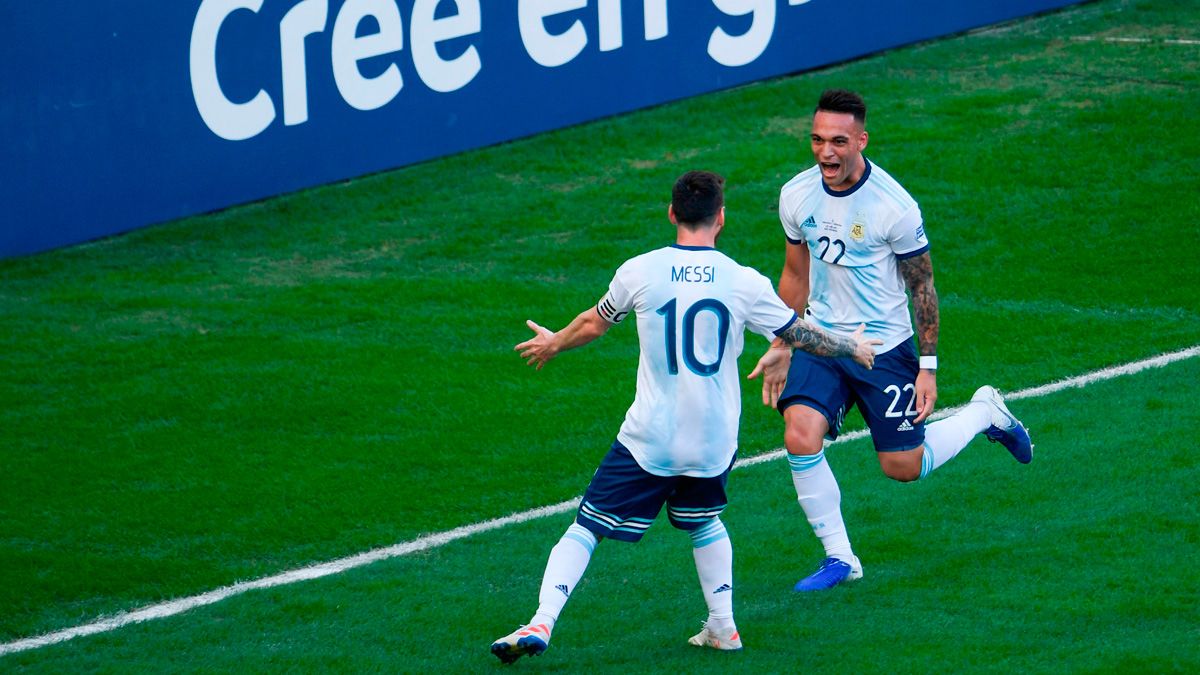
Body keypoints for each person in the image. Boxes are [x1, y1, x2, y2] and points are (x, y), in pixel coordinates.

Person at [491, 170, 880, 664]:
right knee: (703, 521)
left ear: (672, 213)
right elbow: (801, 335)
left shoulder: (641, 271)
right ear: (721, 218)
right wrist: (854, 347)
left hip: (650, 438)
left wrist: (553, 342)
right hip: (714, 441)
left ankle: (542, 619)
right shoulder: (744, 281)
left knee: (586, 527)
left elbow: (594, 322)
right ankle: (723, 627)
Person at [758, 89, 1034, 592]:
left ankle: (987, 412)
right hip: (823, 339)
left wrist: (927, 366)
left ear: (862, 139)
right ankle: (840, 558)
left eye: (839, 141)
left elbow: (921, 286)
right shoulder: (796, 195)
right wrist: (783, 341)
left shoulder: (894, 207)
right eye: (817, 140)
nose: (826, 152)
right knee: (799, 434)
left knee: (904, 467)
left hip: (885, 348)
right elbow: (795, 273)